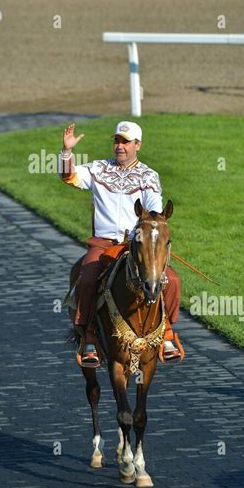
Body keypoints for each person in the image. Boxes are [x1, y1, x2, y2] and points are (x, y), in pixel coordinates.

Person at [59, 120, 182, 368]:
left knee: (172, 281)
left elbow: (155, 210)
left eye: (125, 142)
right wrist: (67, 152)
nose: (120, 146)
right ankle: (90, 338)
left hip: (135, 245)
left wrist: (154, 229)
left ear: (137, 145)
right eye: (117, 140)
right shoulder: (98, 169)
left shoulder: (148, 176)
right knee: (87, 277)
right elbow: (68, 176)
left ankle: (167, 332)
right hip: (103, 245)